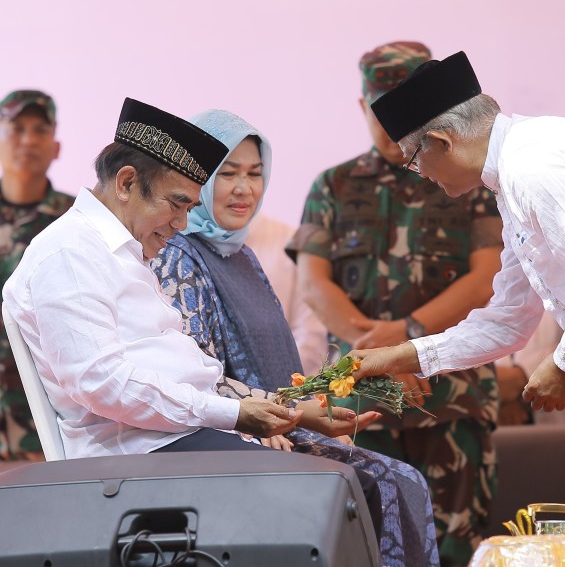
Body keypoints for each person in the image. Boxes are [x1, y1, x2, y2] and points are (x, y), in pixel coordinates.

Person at [150, 109, 440, 567]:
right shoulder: (179, 255)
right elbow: (194, 382)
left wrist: (315, 409)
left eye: (255, 173)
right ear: (195, 179)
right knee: (385, 482)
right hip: (228, 440)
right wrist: (270, 422)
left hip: (273, 427)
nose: (243, 188)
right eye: (226, 172)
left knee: (397, 479)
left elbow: (276, 372)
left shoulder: (245, 256)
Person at [348, 50, 565, 563]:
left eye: (414, 160)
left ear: (441, 141)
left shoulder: (531, 164)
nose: (420, 175)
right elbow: (508, 318)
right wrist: (405, 356)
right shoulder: (515, 173)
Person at [2, 97, 374, 462]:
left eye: (189, 209)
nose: (181, 225)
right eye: (176, 205)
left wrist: (284, 409)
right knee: (327, 485)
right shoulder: (69, 253)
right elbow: (101, 384)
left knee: (351, 480)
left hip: (184, 438)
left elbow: (189, 375)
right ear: (127, 183)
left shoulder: (124, 251)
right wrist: (235, 415)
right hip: (137, 452)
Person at [287, 42, 504, 567]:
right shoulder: (332, 186)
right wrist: (379, 349)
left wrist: (406, 340)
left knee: (458, 561)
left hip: (450, 396)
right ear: (362, 106)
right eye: (378, 107)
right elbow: (314, 285)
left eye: (402, 105)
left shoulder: (468, 174)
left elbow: (485, 279)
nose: (389, 123)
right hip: (359, 402)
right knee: (371, 560)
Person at [0, 90, 74, 461]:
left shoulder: (77, 222)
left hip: (48, 424)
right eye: (17, 128)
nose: (28, 139)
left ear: (55, 146)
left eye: (40, 130)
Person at [245, 213, 328, 373]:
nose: (242, 189)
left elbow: (310, 336)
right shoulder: (185, 241)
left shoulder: (288, 242)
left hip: (282, 389)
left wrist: (275, 391)